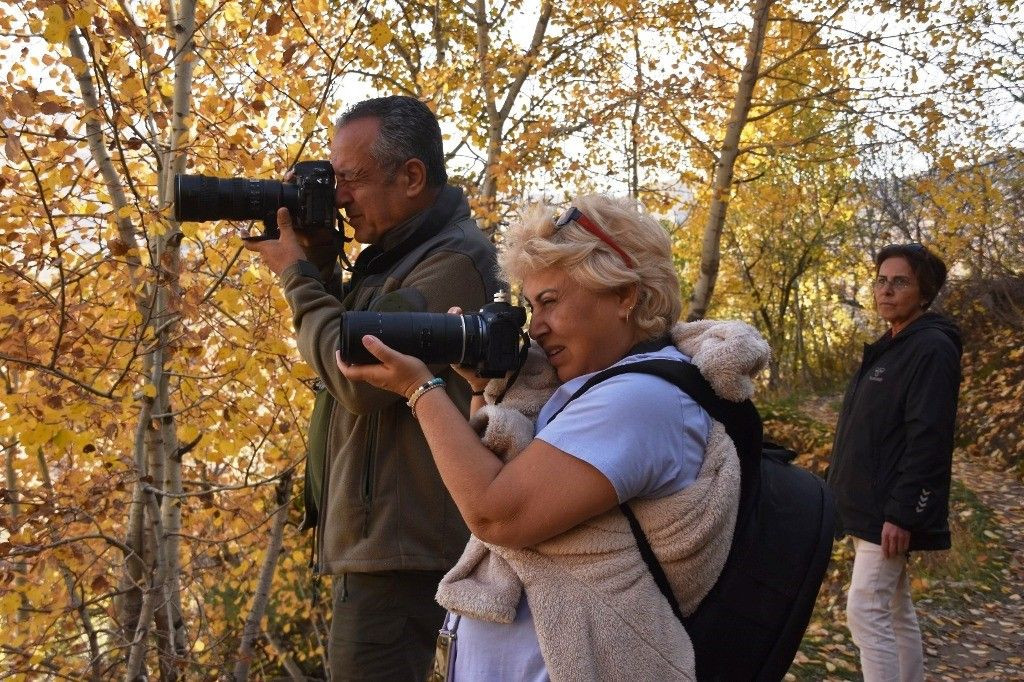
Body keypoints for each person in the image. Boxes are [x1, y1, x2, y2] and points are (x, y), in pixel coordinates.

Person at [336, 195, 771, 679]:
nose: (536, 327)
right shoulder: (604, 389)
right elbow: (504, 479)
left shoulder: (642, 401)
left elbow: (496, 513)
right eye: (529, 304)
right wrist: (481, 389)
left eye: (549, 302)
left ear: (624, 294)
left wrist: (419, 389)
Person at [244, 95, 501, 681]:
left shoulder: (452, 263)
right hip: (383, 539)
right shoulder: (393, 259)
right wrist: (322, 262)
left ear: (411, 176)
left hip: (402, 547)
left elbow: (354, 375)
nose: (337, 196)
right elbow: (348, 341)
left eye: (350, 180)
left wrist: (293, 274)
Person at [827, 243, 962, 682]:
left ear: (924, 292)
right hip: (869, 504)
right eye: (881, 280)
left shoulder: (931, 348)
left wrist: (904, 513)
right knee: (893, 608)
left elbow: (930, 438)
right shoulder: (892, 344)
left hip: (889, 508)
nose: (886, 290)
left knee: (865, 611)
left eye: (899, 281)